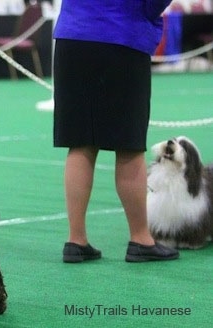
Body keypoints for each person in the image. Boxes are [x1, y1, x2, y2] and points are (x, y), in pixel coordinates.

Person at [53, 1, 180, 263]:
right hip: (122, 36)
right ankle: (141, 239)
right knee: (129, 145)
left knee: (80, 142)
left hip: (73, 37)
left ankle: (76, 240)